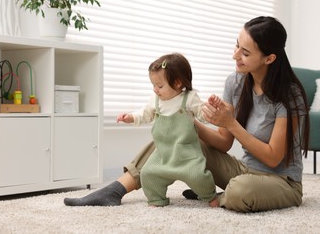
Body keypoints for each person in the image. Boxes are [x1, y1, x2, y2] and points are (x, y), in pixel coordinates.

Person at [64, 16, 310, 213]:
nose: (235, 55)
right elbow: (224, 144)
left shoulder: (289, 96)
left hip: (280, 182)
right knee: (175, 133)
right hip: (243, 170)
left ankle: (214, 193)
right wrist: (187, 121)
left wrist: (231, 124)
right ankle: (116, 189)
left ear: (269, 58)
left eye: (245, 53)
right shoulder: (235, 83)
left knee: (239, 192)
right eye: (237, 45)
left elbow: (273, 157)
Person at [65, 53, 218, 207]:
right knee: (148, 174)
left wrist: (211, 110)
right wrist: (130, 117)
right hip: (163, 153)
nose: (155, 90)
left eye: (159, 86)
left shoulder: (189, 98)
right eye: (153, 85)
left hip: (187, 154)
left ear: (178, 83)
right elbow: (143, 114)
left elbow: (202, 114)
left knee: (198, 175)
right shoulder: (156, 100)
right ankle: (157, 199)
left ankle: (210, 197)